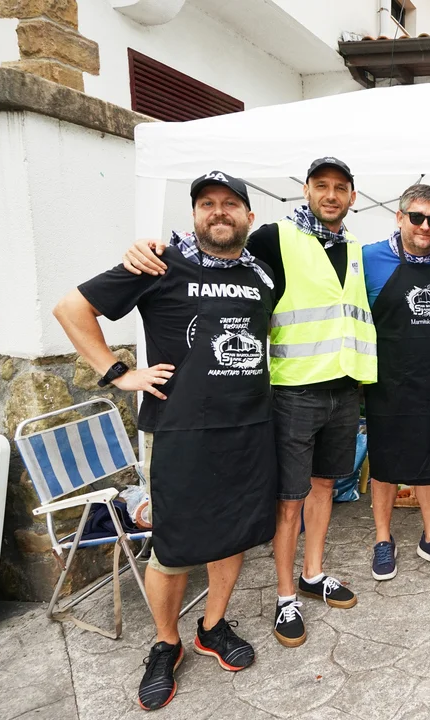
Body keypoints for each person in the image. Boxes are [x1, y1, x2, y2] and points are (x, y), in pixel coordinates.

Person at [122, 157, 378, 649]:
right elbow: (219, 247)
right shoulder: (273, 238)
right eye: (321, 185)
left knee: (325, 485)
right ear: (305, 190)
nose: (330, 195)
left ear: (352, 196)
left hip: (344, 388)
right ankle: (285, 596)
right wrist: (153, 247)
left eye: (340, 187)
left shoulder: (352, 247)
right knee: (289, 498)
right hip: (292, 391)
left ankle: (312, 573)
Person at [54, 172, 277, 710]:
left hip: (249, 428)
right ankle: (165, 642)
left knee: (233, 536)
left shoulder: (264, 273)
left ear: (249, 216)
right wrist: (117, 373)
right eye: (207, 203)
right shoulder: (159, 263)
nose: (219, 211)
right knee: (173, 546)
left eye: (230, 203)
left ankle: (213, 626)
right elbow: (71, 309)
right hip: (179, 431)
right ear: (194, 214)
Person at [362, 184, 430, 580]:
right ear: (400, 217)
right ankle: (382, 539)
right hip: (389, 381)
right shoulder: (369, 258)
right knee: (386, 461)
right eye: (417, 217)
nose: (425, 226)